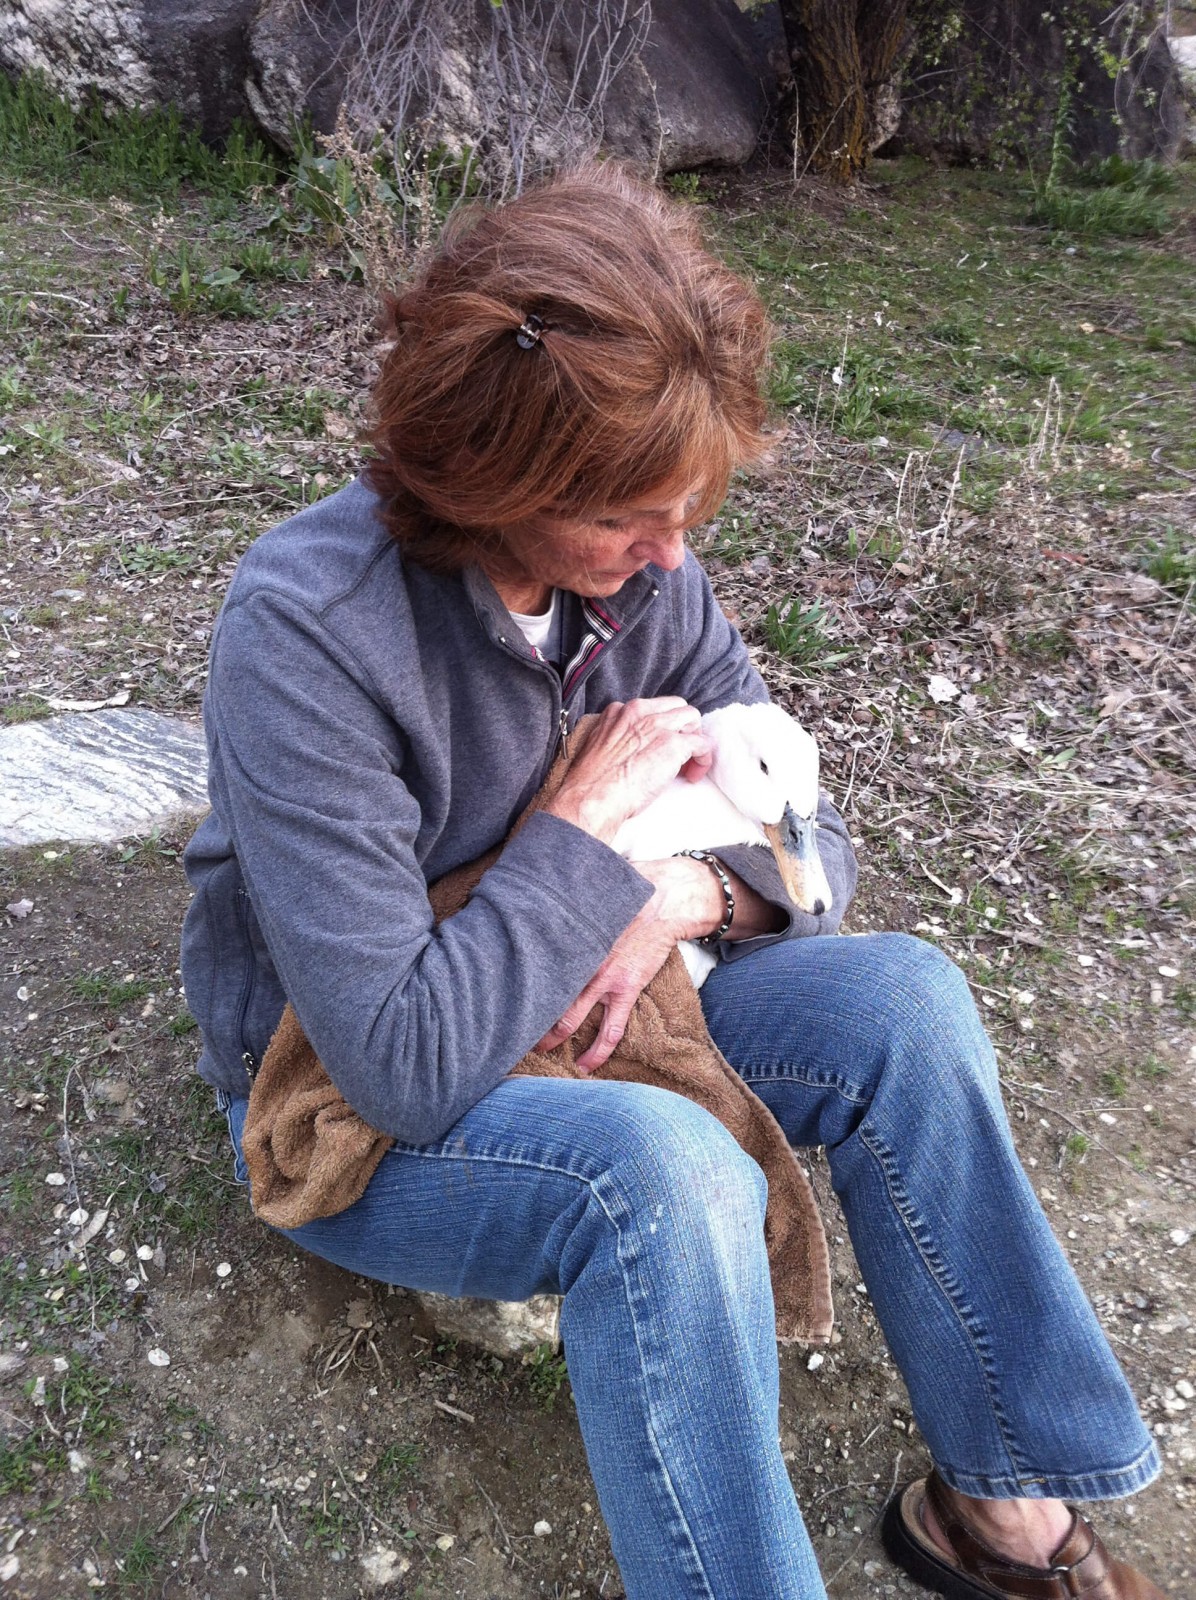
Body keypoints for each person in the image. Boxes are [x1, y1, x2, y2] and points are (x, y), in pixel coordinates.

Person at [181, 164, 1166, 1600]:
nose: (672, 558)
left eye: (689, 512)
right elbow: (395, 1066)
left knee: (903, 995)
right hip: (338, 1092)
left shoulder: (643, 581)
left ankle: (1000, 1499)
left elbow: (810, 842)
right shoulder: (308, 633)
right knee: (668, 1175)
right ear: (492, 480)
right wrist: (576, 846)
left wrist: (676, 902)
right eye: (631, 519)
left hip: (610, 996)